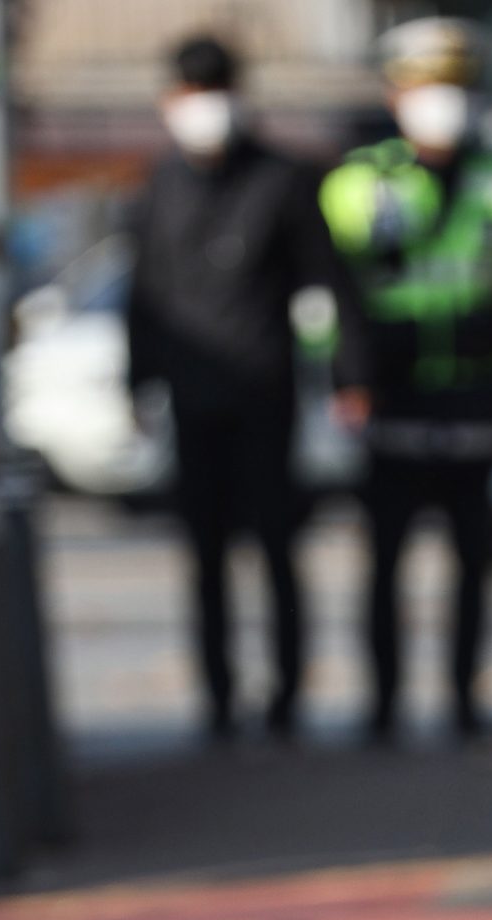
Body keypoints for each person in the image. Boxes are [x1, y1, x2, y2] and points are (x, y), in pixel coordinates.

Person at [321, 17, 492, 740]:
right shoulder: (363, 182)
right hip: (392, 395)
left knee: (473, 563)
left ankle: (464, 701)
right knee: (386, 564)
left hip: (475, 389)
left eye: (454, 88)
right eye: (428, 87)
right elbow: (338, 283)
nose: (443, 103)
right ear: (397, 94)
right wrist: (347, 376)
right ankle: (383, 707)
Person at [128, 33, 357, 742]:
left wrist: (350, 376)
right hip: (192, 398)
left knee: (277, 550)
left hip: (266, 391)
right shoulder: (157, 184)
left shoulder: (284, 180)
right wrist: (136, 383)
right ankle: (218, 701)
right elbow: (144, 295)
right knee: (204, 560)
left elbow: (331, 286)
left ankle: (286, 698)